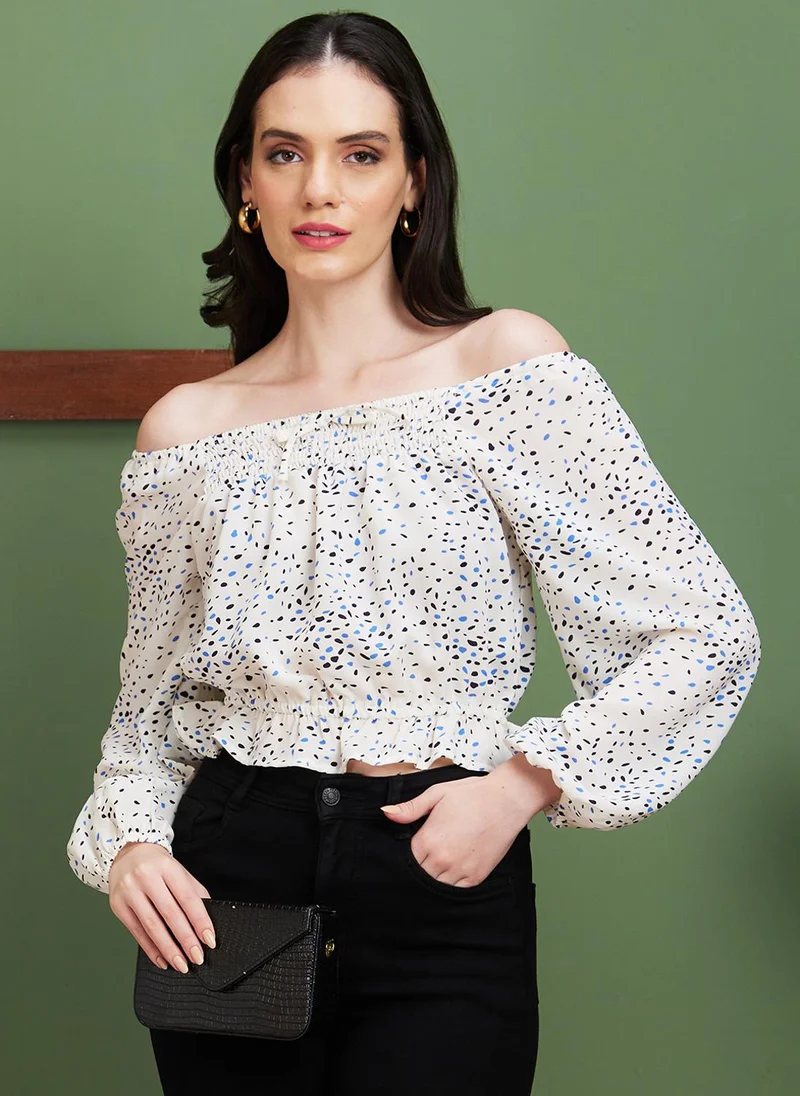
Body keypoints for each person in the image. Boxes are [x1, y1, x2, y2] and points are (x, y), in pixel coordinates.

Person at [65, 11, 761, 1095]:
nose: (319, 191)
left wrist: (520, 783)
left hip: (440, 875)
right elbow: (148, 715)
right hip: (226, 888)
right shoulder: (184, 432)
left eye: (360, 154)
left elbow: (701, 633)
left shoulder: (505, 369)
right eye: (284, 153)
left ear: (414, 182)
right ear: (245, 183)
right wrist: (130, 846)